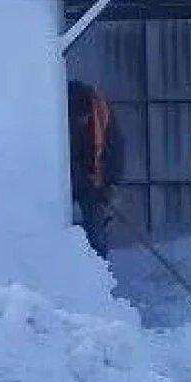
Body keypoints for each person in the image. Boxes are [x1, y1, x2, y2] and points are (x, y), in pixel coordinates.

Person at [67, 80, 125, 259]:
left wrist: (112, 184)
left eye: (85, 117)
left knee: (96, 227)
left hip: (92, 182)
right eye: (79, 118)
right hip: (65, 180)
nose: (83, 121)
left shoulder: (102, 112)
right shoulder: (52, 111)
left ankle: (97, 270)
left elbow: (115, 148)